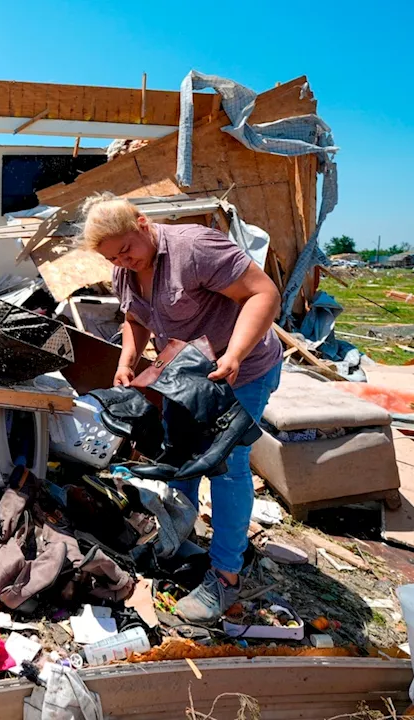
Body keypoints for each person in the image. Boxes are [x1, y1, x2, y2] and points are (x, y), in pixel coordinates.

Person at [78, 194, 283, 623]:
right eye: (113, 257)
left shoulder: (195, 248)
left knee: (227, 466)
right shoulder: (125, 270)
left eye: (127, 249)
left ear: (142, 222)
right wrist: (126, 362)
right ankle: (181, 539)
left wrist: (237, 354)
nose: (124, 260)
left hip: (239, 369)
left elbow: (263, 293)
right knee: (179, 459)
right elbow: (135, 320)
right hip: (185, 373)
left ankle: (225, 577)